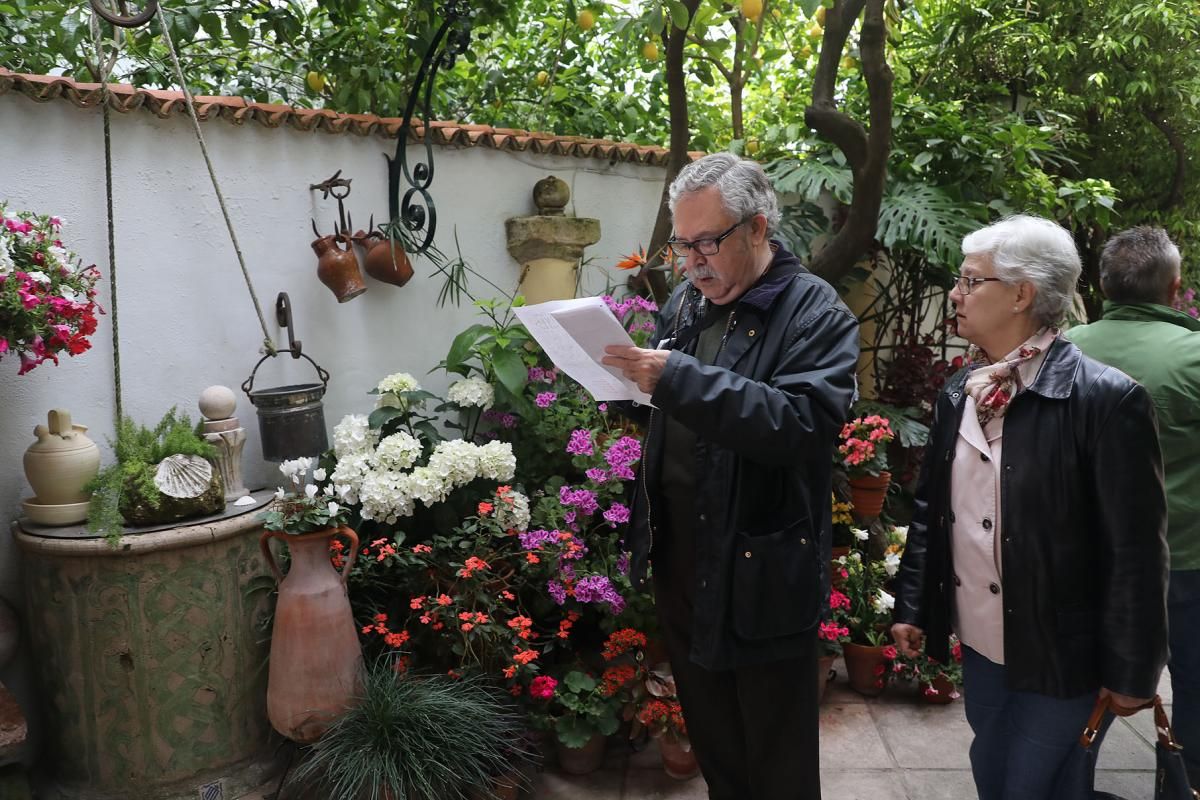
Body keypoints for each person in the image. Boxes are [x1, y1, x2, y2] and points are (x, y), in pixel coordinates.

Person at [601, 153, 859, 800]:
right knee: (719, 748)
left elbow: (801, 424)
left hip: (764, 572)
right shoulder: (688, 302)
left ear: (758, 229)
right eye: (683, 245)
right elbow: (670, 405)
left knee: (776, 763)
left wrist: (675, 378)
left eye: (708, 242)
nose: (692, 262)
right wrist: (623, 386)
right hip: (686, 561)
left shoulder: (815, 312)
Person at [890, 215, 1169, 800]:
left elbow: (1137, 553)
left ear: (1021, 294)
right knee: (993, 769)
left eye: (971, 281)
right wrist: (914, 603)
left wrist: (1132, 672)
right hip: (984, 642)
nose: (956, 294)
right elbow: (931, 511)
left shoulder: (1104, 400)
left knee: (1028, 785)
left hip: (1061, 652)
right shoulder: (961, 392)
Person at [1065, 226, 1200, 787]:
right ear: (1175, 287)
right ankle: (1182, 785)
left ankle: (1064, 784)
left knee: (1076, 693)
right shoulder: (1194, 357)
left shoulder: (1061, 351)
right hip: (1186, 560)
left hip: (1080, 559)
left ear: (1102, 286)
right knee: (1194, 693)